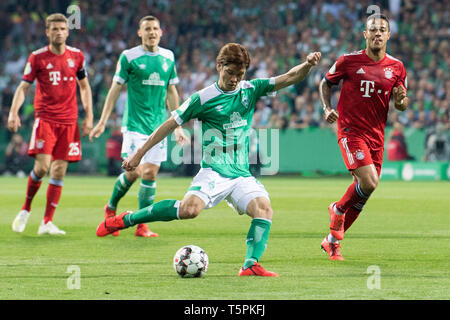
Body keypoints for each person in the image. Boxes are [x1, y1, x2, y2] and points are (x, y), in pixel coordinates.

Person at [96, 42, 321, 277]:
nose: (234, 79)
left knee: (264, 209)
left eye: (240, 74)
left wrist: (307, 64)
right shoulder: (203, 98)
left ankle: (250, 264)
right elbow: (169, 124)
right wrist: (139, 153)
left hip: (241, 174)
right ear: (218, 66)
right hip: (214, 170)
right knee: (189, 210)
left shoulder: (251, 89)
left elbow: (289, 77)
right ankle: (128, 219)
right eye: (230, 72)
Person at [318, 13, 408, 260]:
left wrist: (401, 101)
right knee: (369, 182)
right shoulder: (348, 61)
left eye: (382, 30)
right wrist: (327, 108)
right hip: (351, 131)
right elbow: (325, 83)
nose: (377, 33)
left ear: (388, 35)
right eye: (373, 29)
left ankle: (332, 241)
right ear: (365, 34)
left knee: (364, 192)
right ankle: (337, 208)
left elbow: (401, 102)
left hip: (376, 136)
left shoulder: (397, 67)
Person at [89, 15, 188, 238]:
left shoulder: (168, 57)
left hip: (158, 127)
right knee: (136, 172)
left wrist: (178, 124)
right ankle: (112, 207)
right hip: (134, 126)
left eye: (155, 28)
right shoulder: (129, 57)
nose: (152, 32)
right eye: (147, 29)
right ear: (139, 32)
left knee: (148, 174)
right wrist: (103, 120)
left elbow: (172, 91)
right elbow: (115, 89)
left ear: (161, 32)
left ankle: (141, 225)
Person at [8, 13, 93, 235]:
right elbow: (24, 87)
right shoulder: (37, 57)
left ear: (67, 31)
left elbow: (84, 87)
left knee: (59, 171)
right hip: (45, 119)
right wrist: (13, 112)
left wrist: (90, 117)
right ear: (47, 32)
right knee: (43, 167)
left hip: (69, 121)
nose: (59, 32)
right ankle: (26, 208)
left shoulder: (77, 56)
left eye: (62, 29)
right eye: (54, 29)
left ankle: (47, 222)